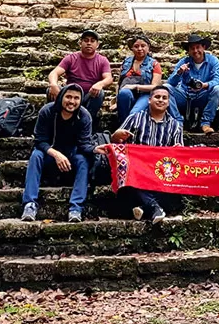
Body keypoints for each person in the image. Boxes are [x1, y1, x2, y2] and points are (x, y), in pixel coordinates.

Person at [96, 85, 183, 224]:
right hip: (136, 171)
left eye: (164, 98)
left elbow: (179, 154)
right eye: (157, 97)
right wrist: (114, 137)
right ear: (149, 100)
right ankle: (154, 207)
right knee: (130, 178)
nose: (160, 100)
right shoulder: (135, 118)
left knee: (175, 195)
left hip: (159, 172)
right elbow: (117, 144)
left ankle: (144, 207)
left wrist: (178, 150)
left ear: (168, 102)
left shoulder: (175, 126)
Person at [21, 83, 94, 223]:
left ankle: (76, 208)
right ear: (61, 97)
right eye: (68, 97)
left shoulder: (84, 116)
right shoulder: (47, 111)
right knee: (36, 155)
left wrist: (95, 149)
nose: (72, 101)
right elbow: (39, 141)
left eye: (76, 98)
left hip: (71, 157)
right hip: (49, 154)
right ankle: (29, 204)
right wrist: (56, 154)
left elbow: (84, 144)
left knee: (83, 160)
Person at [47, 29, 113, 123]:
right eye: (86, 40)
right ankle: (54, 122)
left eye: (92, 41)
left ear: (97, 45)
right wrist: (53, 84)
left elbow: (109, 78)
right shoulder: (71, 58)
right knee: (50, 90)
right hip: (70, 94)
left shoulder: (102, 60)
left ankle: (86, 123)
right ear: (80, 43)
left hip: (88, 95)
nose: (89, 43)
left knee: (100, 93)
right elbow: (54, 73)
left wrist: (100, 84)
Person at [115, 34, 183, 124]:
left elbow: (155, 87)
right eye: (136, 46)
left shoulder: (154, 64)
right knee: (124, 93)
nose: (140, 49)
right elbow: (119, 83)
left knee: (134, 113)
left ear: (148, 47)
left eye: (143, 46)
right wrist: (116, 100)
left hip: (145, 94)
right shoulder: (126, 62)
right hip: (127, 94)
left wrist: (135, 86)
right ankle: (123, 128)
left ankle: (132, 130)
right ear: (132, 48)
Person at [167, 34, 219, 134]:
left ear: (204, 47)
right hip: (185, 96)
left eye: (198, 47)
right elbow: (170, 83)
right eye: (192, 48)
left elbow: (218, 80)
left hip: (203, 96)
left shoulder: (213, 60)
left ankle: (206, 122)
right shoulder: (183, 62)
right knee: (165, 88)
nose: (195, 51)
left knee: (218, 89)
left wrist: (204, 85)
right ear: (188, 51)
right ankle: (178, 121)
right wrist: (179, 73)